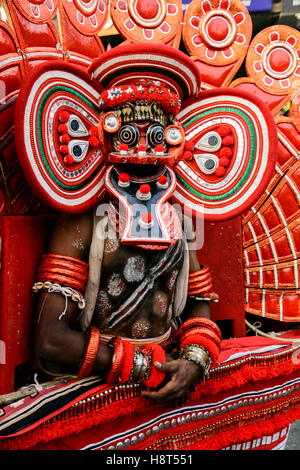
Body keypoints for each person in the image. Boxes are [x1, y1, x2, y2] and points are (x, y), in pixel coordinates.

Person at [32, 44, 222, 408]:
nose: (143, 153)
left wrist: (195, 360)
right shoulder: (83, 222)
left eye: (156, 138)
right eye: (129, 137)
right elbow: (51, 338)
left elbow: (198, 303)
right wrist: (143, 367)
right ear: (103, 139)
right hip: (94, 384)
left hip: (165, 374)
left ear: (175, 141)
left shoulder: (182, 220)